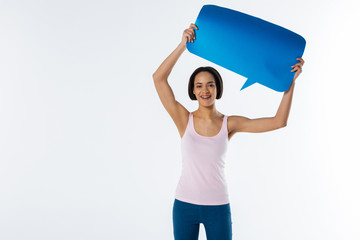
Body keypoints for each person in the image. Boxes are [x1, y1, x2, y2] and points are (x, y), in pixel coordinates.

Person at [152, 23, 304, 240]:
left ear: (218, 88)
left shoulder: (230, 123)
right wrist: (182, 46)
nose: (205, 90)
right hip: (184, 205)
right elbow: (158, 79)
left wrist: (289, 85)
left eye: (210, 85)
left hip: (217, 206)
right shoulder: (184, 119)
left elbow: (279, 122)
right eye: (199, 85)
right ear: (193, 91)